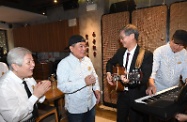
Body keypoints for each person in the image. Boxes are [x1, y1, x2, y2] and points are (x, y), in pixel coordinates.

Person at [106, 24, 153, 122]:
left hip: (137, 96)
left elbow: (144, 78)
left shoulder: (146, 55)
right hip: (122, 95)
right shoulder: (120, 51)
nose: (120, 40)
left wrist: (130, 81)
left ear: (132, 36)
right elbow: (110, 62)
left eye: (122, 38)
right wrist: (109, 73)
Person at [56, 35, 101, 122]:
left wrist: (97, 89)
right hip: (76, 109)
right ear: (71, 48)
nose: (84, 49)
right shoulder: (64, 64)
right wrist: (84, 82)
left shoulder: (87, 60)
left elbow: (94, 76)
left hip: (90, 104)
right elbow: (62, 86)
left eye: (85, 46)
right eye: (81, 46)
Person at [0, 47, 51, 122]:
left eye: (33, 61)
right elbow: (13, 118)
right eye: (28, 62)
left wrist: (42, 89)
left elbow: (39, 100)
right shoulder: (4, 87)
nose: (33, 65)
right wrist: (36, 95)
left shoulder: (28, 77)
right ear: (15, 66)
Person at [146, 29, 187, 95]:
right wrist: (151, 85)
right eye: (176, 43)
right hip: (158, 90)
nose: (177, 47)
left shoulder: (184, 53)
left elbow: (185, 72)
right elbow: (153, 72)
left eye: (181, 45)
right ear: (171, 40)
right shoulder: (159, 51)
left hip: (174, 90)